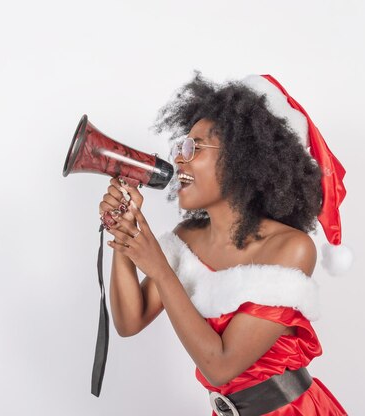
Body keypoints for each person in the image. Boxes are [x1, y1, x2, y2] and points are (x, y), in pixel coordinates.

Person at [99, 73, 347, 415]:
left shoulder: (292, 248)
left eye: (194, 148)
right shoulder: (188, 239)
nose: (179, 160)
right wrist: (126, 230)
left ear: (242, 160)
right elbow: (130, 321)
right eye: (180, 147)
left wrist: (158, 266)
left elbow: (220, 365)